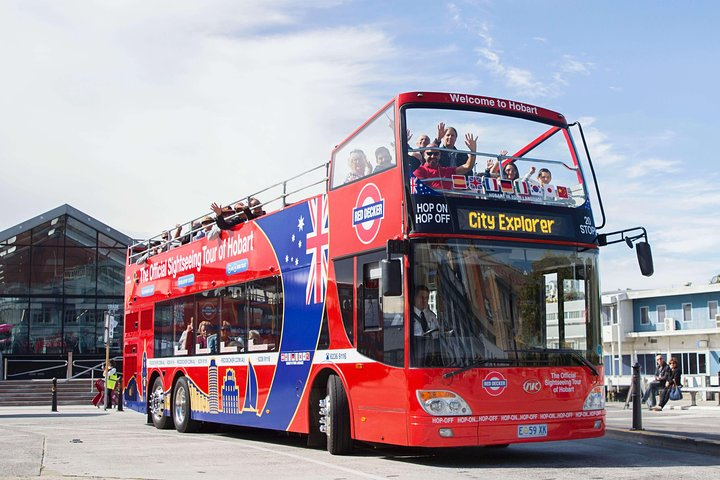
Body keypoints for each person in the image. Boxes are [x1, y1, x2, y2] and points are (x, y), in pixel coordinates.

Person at [413, 135, 477, 190]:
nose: (432, 156)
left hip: (447, 203)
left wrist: (473, 152)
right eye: (429, 153)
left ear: (439, 155)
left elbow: (467, 167)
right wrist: (446, 193)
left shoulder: (446, 170)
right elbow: (421, 188)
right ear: (424, 155)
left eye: (436, 154)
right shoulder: (419, 171)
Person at [412, 285, 441, 366]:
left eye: (426, 298)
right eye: (421, 297)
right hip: (415, 356)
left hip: (432, 355)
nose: (424, 300)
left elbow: (437, 333)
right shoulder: (405, 316)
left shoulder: (431, 316)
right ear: (415, 298)